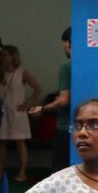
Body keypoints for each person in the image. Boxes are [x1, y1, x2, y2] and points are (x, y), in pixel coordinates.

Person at [0, 45, 43, 184]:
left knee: (20, 142)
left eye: (5, 55)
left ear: (13, 57)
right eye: (1, 55)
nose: (2, 58)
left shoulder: (22, 72)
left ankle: (22, 172)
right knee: (1, 141)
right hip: (2, 112)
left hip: (17, 112)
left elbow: (37, 88)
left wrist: (27, 104)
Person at [28, 26, 73, 173]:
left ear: (68, 43)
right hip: (84, 127)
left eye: (64, 45)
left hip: (65, 128)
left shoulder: (66, 67)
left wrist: (43, 108)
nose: (63, 49)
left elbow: (64, 99)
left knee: (60, 172)